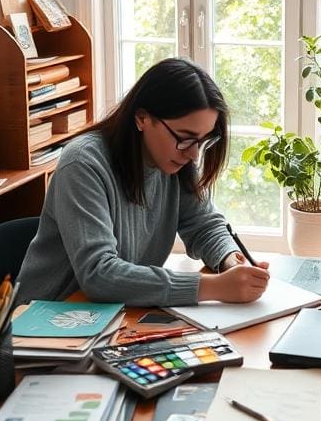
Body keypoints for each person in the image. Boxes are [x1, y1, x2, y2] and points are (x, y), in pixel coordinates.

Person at [16, 58, 270, 307]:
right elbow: (98, 274)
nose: (194, 154)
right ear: (142, 118)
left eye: (203, 141)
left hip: (113, 316)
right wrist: (213, 287)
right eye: (185, 138)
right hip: (43, 329)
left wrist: (230, 259)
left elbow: (203, 224)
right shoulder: (83, 164)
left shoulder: (175, 160)